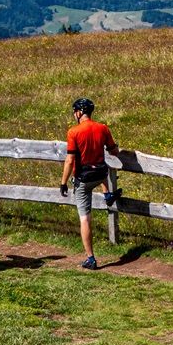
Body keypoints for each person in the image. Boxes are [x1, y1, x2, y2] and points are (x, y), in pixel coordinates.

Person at [59, 97, 120, 270]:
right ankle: (108, 194)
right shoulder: (103, 128)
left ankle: (90, 258)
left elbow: (70, 160)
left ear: (79, 112)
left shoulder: (74, 132)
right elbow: (114, 151)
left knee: (84, 218)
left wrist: (63, 182)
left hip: (83, 179)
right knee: (103, 167)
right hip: (101, 175)